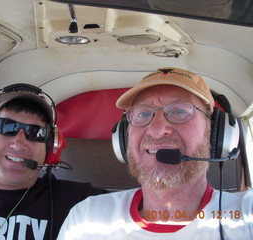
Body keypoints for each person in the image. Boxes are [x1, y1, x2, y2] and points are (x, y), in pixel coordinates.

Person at [57, 67, 253, 240]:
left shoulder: (246, 216)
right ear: (124, 137)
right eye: (142, 114)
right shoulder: (86, 218)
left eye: (179, 111)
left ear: (215, 135)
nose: (157, 129)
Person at [0, 83, 106, 240]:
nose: (19, 143)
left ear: (50, 148)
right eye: (7, 127)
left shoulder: (79, 202)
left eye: (35, 133)